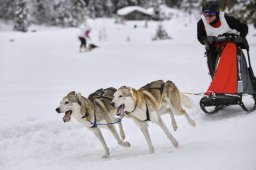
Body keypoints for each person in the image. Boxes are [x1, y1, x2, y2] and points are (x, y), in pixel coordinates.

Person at [197, 0, 248, 78]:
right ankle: (216, 84)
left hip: (230, 46)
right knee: (213, 68)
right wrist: (206, 39)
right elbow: (200, 37)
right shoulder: (201, 23)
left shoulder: (227, 19)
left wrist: (241, 37)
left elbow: (244, 27)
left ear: (217, 13)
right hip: (214, 48)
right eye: (205, 14)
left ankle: (234, 82)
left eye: (211, 14)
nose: (208, 17)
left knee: (229, 68)